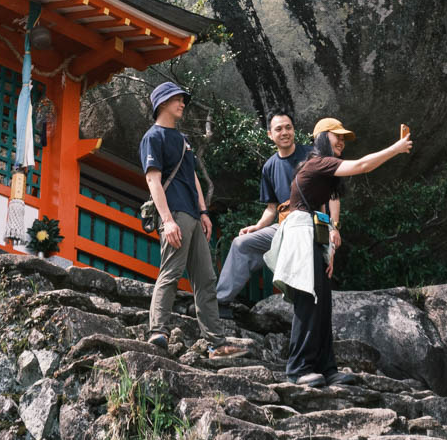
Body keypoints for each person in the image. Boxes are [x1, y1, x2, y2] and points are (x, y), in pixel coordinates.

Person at [265, 117, 412, 386]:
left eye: (344, 138)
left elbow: (322, 211)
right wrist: (396, 148)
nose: (342, 142)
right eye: (337, 136)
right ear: (322, 138)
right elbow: (363, 165)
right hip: (299, 234)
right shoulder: (317, 162)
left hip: (312, 235)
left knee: (322, 305)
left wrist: (328, 249)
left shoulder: (322, 170)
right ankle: (298, 369)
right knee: (308, 303)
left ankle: (326, 368)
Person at [139, 81, 250, 357]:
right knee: (171, 271)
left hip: (192, 215)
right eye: (177, 99)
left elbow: (194, 180)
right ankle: (157, 331)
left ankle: (216, 343)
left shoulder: (184, 141)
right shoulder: (153, 137)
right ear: (162, 103)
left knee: (205, 278)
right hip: (174, 214)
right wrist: (167, 220)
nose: (182, 103)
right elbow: (153, 180)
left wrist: (204, 212)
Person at [216, 113, 313, 304]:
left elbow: (331, 193)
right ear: (270, 134)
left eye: (288, 127)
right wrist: (257, 226)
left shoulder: (311, 155)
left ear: (294, 130)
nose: (285, 132)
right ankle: (219, 302)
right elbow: (271, 208)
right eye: (279, 129)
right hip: (283, 226)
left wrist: (332, 226)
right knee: (241, 243)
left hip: (308, 226)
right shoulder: (270, 166)